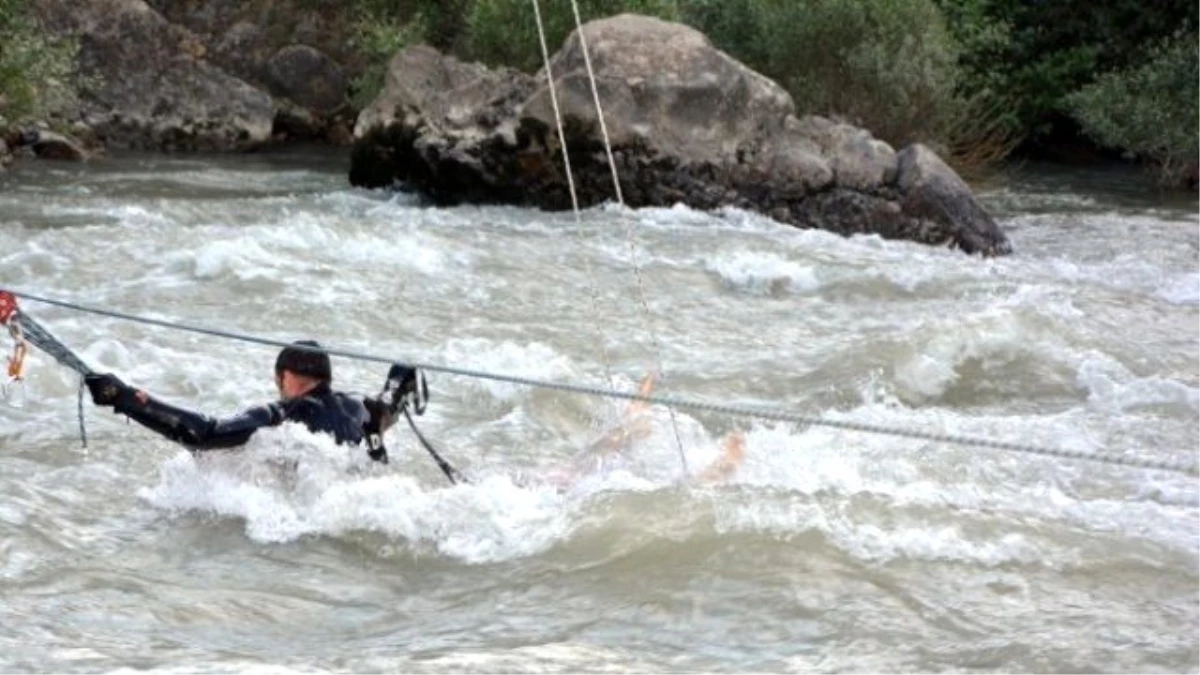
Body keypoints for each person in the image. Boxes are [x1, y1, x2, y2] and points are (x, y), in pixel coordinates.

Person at [84, 340, 423, 463]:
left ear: (283, 377)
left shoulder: (284, 412)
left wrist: (127, 400)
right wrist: (402, 371)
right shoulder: (364, 409)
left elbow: (205, 433)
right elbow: (394, 396)